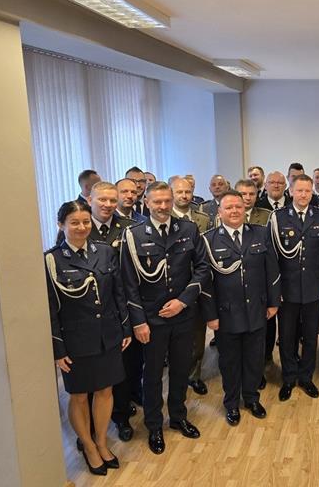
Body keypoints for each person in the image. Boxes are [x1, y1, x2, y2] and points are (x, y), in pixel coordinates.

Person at [120, 181, 209, 455]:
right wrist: (138, 321)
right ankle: (154, 425)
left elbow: (203, 268)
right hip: (151, 319)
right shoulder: (133, 235)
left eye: (166, 201)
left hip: (182, 314)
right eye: (157, 202)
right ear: (146, 202)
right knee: (153, 374)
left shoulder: (188, 229)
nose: (162, 206)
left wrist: (183, 301)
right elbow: (128, 284)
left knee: (181, 369)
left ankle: (178, 416)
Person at [45, 200, 131, 475]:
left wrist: (125, 328)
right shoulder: (51, 260)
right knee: (79, 396)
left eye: (85, 222)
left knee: (105, 391)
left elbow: (119, 293)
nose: (82, 227)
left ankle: (101, 441)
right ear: (61, 225)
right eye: (74, 223)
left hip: (108, 334)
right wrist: (58, 349)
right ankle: (88, 445)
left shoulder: (104, 252)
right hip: (75, 341)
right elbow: (50, 309)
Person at [202, 191, 281, 426]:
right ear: (219, 212)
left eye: (238, 206)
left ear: (244, 209)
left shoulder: (261, 233)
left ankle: (251, 398)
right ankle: (231, 403)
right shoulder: (208, 240)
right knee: (230, 362)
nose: (234, 211)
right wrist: (210, 315)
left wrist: (273, 302)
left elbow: (272, 270)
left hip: (257, 310)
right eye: (229, 207)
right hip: (226, 314)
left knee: (255, 359)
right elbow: (205, 282)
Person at [270, 174, 319, 401]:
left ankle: (306, 377)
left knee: (310, 337)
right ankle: (289, 377)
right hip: (286, 290)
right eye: (299, 190)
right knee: (287, 336)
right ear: (290, 191)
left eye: (307, 191)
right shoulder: (278, 218)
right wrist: (274, 290)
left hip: (313, 289)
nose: (303, 195)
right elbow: (272, 257)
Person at [86, 181, 139, 441]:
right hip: (90, 312)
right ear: (90, 201)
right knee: (92, 373)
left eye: (111, 200)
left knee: (123, 369)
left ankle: (121, 416)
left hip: (122, 309)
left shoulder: (128, 228)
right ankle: (90, 426)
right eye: (102, 200)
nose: (107, 205)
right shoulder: (80, 227)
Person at [170, 176, 212, 395]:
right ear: (171, 193)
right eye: (179, 192)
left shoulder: (203, 218)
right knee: (174, 338)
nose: (184, 196)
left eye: (187, 192)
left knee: (197, 334)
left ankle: (194, 375)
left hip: (199, 284)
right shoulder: (164, 218)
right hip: (172, 286)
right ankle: (176, 376)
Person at [235, 178, 274, 370]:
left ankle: (265, 358)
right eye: (243, 194)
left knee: (266, 324)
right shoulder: (224, 216)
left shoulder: (267, 216)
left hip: (261, 280)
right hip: (236, 283)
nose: (247, 198)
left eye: (251, 194)